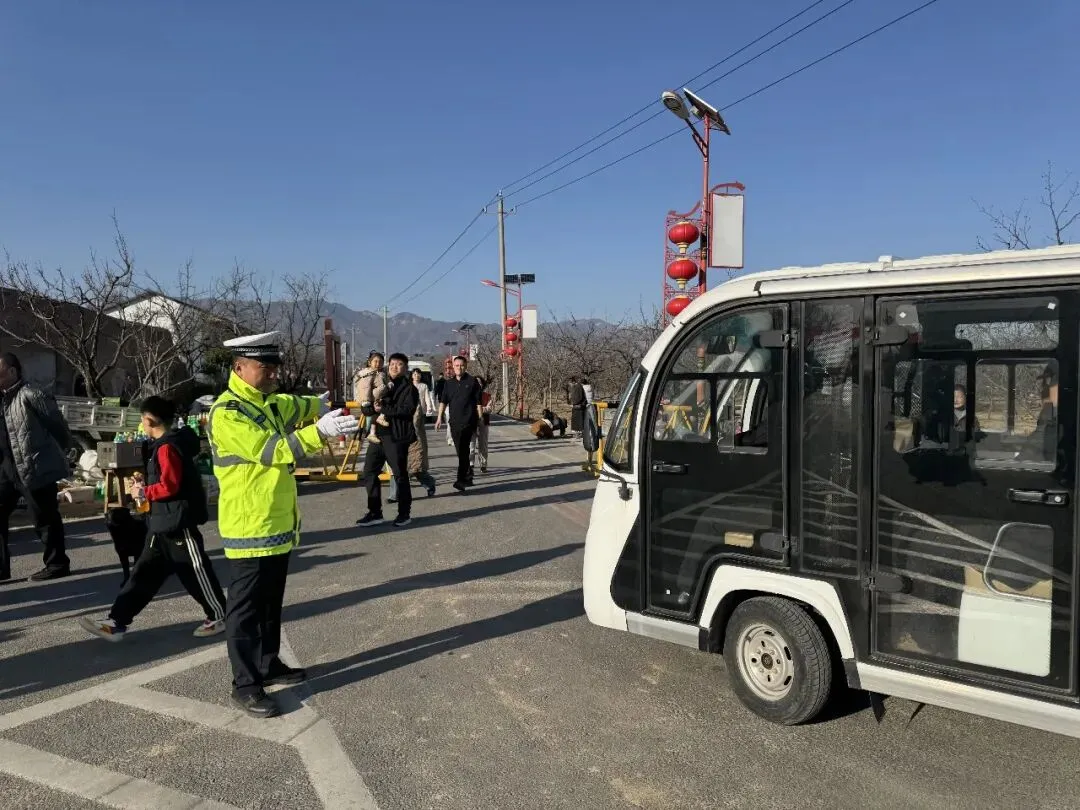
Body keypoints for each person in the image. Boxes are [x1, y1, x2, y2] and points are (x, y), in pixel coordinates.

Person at [208, 331, 358, 718]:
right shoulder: (229, 413)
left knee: (271, 602)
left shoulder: (267, 402)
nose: (274, 373)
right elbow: (272, 450)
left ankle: (268, 663)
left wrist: (322, 404)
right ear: (240, 369)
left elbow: (297, 404)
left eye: (275, 366)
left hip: (276, 523)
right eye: (265, 366)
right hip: (248, 524)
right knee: (244, 610)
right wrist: (319, 431)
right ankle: (245, 684)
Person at [78, 396, 227, 641]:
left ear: (149, 420)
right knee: (143, 573)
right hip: (160, 522)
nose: (141, 426)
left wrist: (144, 491)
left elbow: (170, 485)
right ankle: (117, 622)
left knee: (195, 570)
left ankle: (219, 614)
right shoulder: (161, 445)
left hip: (177, 521)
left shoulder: (168, 447)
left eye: (142, 421)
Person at [0, 352, 72, 582]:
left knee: (44, 517)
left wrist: (57, 455)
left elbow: (58, 427)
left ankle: (57, 563)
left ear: (12, 371)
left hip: (33, 465)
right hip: (5, 468)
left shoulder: (31, 394)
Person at [358, 353, 419, 528]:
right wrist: (368, 408)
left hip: (397, 436)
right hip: (378, 436)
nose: (394, 367)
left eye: (399, 364)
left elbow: (407, 410)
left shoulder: (409, 389)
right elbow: (369, 407)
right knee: (369, 472)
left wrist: (383, 408)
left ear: (405, 368)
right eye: (392, 363)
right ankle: (375, 512)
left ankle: (404, 513)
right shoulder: (380, 384)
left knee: (400, 475)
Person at [388, 368, 437, 503]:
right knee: (395, 467)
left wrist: (429, 409)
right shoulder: (391, 392)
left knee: (415, 467)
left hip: (412, 436)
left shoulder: (418, 394)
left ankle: (429, 483)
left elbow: (416, 423)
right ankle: (394, 495)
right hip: (395, 435)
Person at [435, 355, 482, 493]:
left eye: (461, 365)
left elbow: (478, 402)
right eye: (456, 365)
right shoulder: (448, 384)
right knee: (461, 451)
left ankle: (460, 480)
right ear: (453, 367)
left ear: (466, 366)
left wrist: (480, 419)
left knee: (463, 450)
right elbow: (443, 401)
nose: (459, 368)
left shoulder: (472, 382)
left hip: (468, 422)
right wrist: (439, 418)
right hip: (454, 422)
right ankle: (468, 475)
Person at [353, 351, 389, 445]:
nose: (378, 364)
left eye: (381, 362)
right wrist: (366, 400)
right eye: (376, 361)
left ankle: (372, 433)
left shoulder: (379, 373)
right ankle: (373, 430)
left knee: (375, 417)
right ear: (370, 362)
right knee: (375, 414)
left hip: (376, 399)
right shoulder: (368, 373)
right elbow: (365, 388)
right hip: (369, 401)